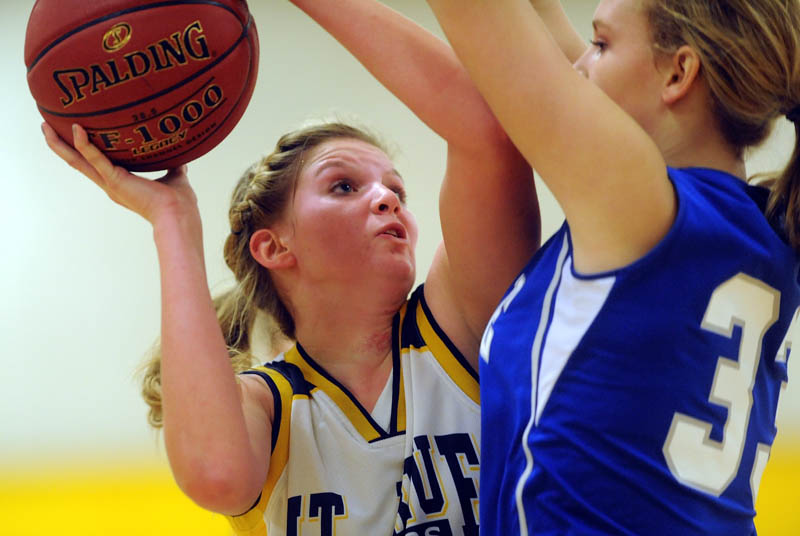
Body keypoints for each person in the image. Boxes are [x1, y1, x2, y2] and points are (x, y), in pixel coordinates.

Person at [42, 0, 539, 534]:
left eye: (396, 189)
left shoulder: (459, 328)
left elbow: (489, 129)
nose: (387, 199)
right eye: (344, 186)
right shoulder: (270, 405)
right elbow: (216, 475)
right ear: (274, 248)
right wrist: (171, 220)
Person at [423, 0, 800, 533]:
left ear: (679, 72)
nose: (578, 66)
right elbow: (550, 33)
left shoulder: (643, 208)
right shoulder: (760, 228)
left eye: (599, 45)